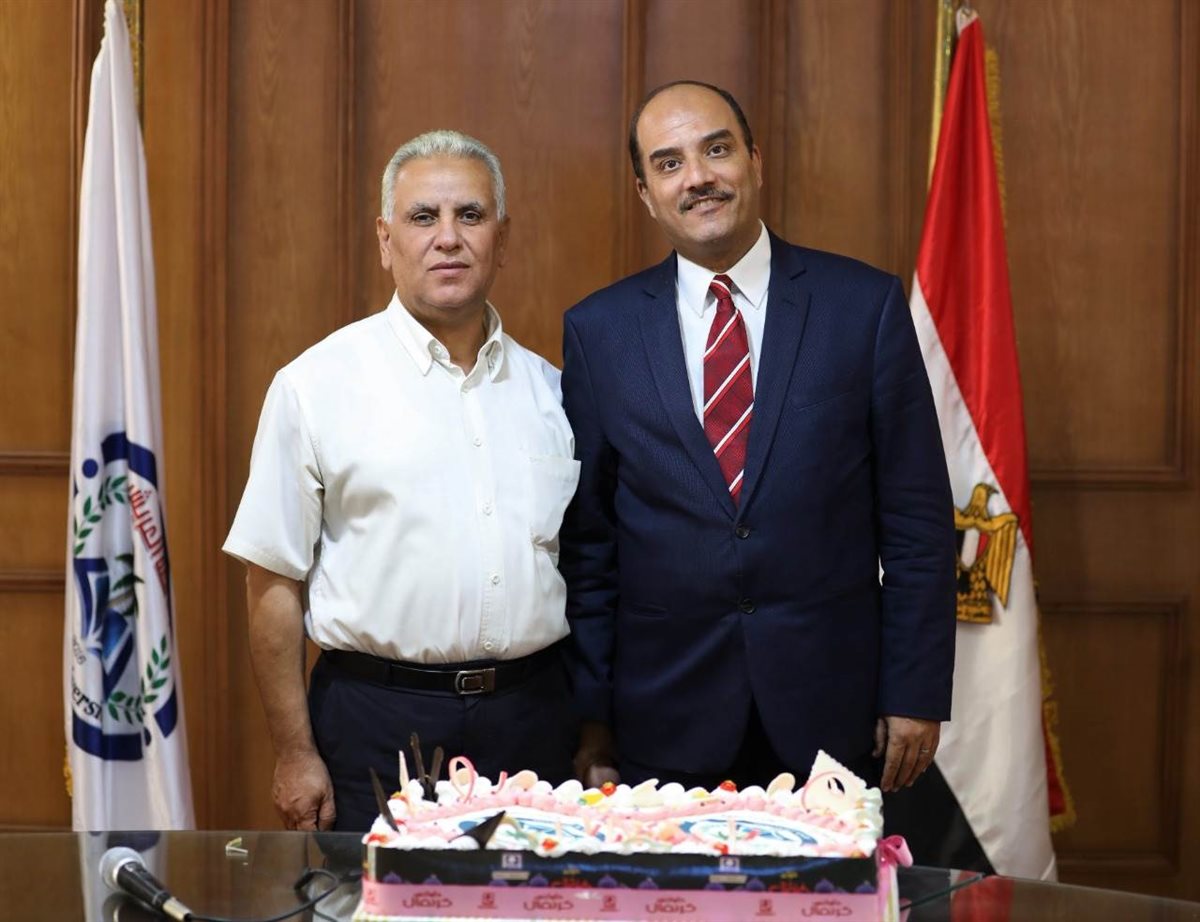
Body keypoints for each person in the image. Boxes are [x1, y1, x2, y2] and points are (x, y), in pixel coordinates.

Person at [561, 81, 956, 795]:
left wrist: (915, 690)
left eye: (716, 150)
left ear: (755, 161)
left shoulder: (862, 307)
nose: (698, 177)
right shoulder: (599, 332)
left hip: (832, 714)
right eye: (669, 163)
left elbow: (916, 522)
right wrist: (592, 717)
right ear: (646, 193)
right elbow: (591, 547)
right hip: (662, 718)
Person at [223, 130, 579, 831]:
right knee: (373, 893)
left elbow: (592, 571)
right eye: (423, 217)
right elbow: (271, 581)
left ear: (502, 239)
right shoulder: (315, 386)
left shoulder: (554, 392)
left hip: (534, 720)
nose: (448, 237)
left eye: (470, 215)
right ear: (386, 241)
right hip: (374, 725)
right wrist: (294, 752)